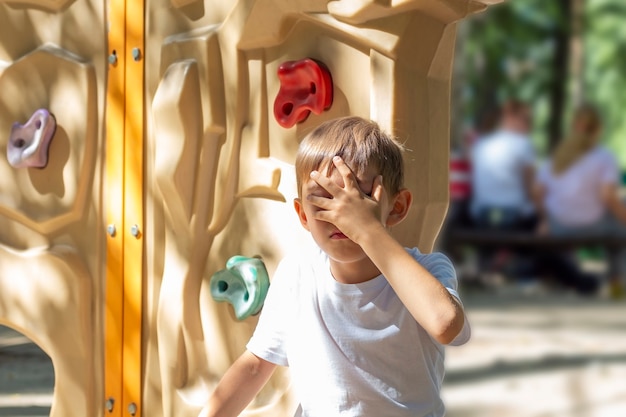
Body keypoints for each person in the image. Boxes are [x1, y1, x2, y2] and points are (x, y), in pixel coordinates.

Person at [200, 116, 470, 417]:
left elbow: (445, 324)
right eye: (323, 200)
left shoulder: (427, 270)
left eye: (359, 198)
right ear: (303, 215)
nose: (341, 214)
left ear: (396, 207)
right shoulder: (297, 274)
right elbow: (255, 366)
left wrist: (369, 231)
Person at [534, 104, 626, 295]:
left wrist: (544, 219)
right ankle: (616, 281)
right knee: (619, 230)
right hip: (590, 224)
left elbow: (537, 191)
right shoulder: (604, 157)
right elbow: (608, 196)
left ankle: (555, 279)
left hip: (558, 226)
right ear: (598, 129)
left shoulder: (556, 157)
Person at [469, 99, 538, 231]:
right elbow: (531, 188)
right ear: (510, 117)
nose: (529, 125)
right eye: (526, 119)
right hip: (514, 217)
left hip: (481, 216)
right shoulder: (524, 144)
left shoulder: (482, 144)